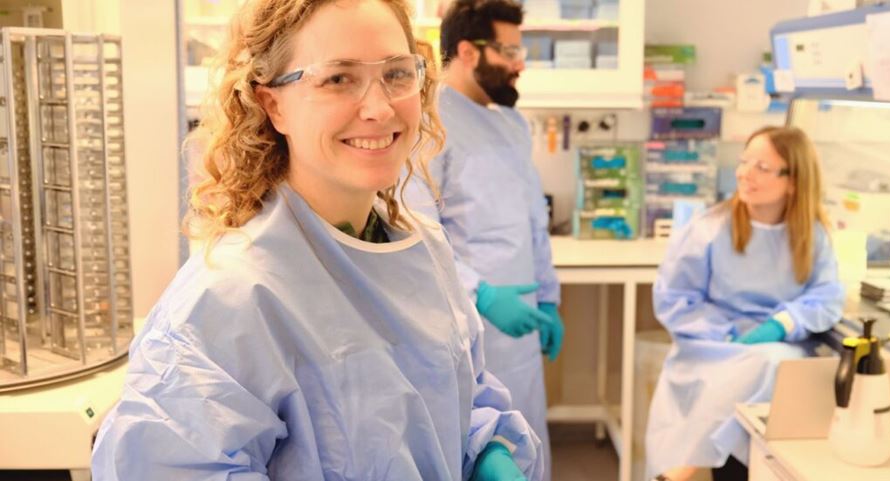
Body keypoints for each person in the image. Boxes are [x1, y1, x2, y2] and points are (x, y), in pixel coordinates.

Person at [90, 1, 543, 480]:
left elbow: (455, 397)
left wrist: (487, 448)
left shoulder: (422, 249)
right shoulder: (230, 298)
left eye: (396, 73)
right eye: (338, 78)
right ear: (273, 104)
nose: (379, 107)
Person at [402, 1, 563, 477]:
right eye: (510, 50)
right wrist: (482, 293)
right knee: (478, 445)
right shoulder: (429, 122)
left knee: (527, 438)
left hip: (523, 320)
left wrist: (549, 298)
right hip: (464, 320)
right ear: (470, 51)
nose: (520, 63)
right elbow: (417, 229)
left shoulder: (513, 124)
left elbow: (533, 219)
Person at [645, 126, 845, 481]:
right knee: (765, 365)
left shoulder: (811, 235)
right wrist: (728, 334)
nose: (744, 174)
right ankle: (688, 467)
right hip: (711, 349)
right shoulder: (708, 228)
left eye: (762, 167)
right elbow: (675, 300)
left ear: (794, 181)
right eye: (743, 162)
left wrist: (781, 324)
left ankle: (684, 468)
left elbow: (828, 295)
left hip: (779, 348)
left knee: (774, 362)